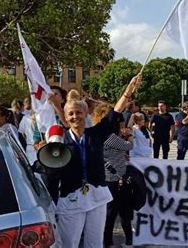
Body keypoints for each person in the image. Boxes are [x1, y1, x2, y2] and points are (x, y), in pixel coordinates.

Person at [45, 75, 141, 247]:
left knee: (95, 242)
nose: (75, 116)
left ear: (85, 114)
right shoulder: (60, 142)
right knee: (69, 243)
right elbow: (52, 176)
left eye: (79, 112)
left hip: (97, 196)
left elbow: (114, 114)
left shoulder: (95, 134)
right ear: (65, 118)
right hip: (71, 198)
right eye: (71, 114)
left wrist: (129, 90)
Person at [91, 103, 135, 248]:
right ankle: (107, 242)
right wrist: (129, 135)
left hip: (109, 176)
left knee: (112, 212)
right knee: (111, 213)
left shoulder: (97, 134)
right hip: (112, 178)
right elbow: (128, 146)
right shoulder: (108, 136)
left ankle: (108, 241)